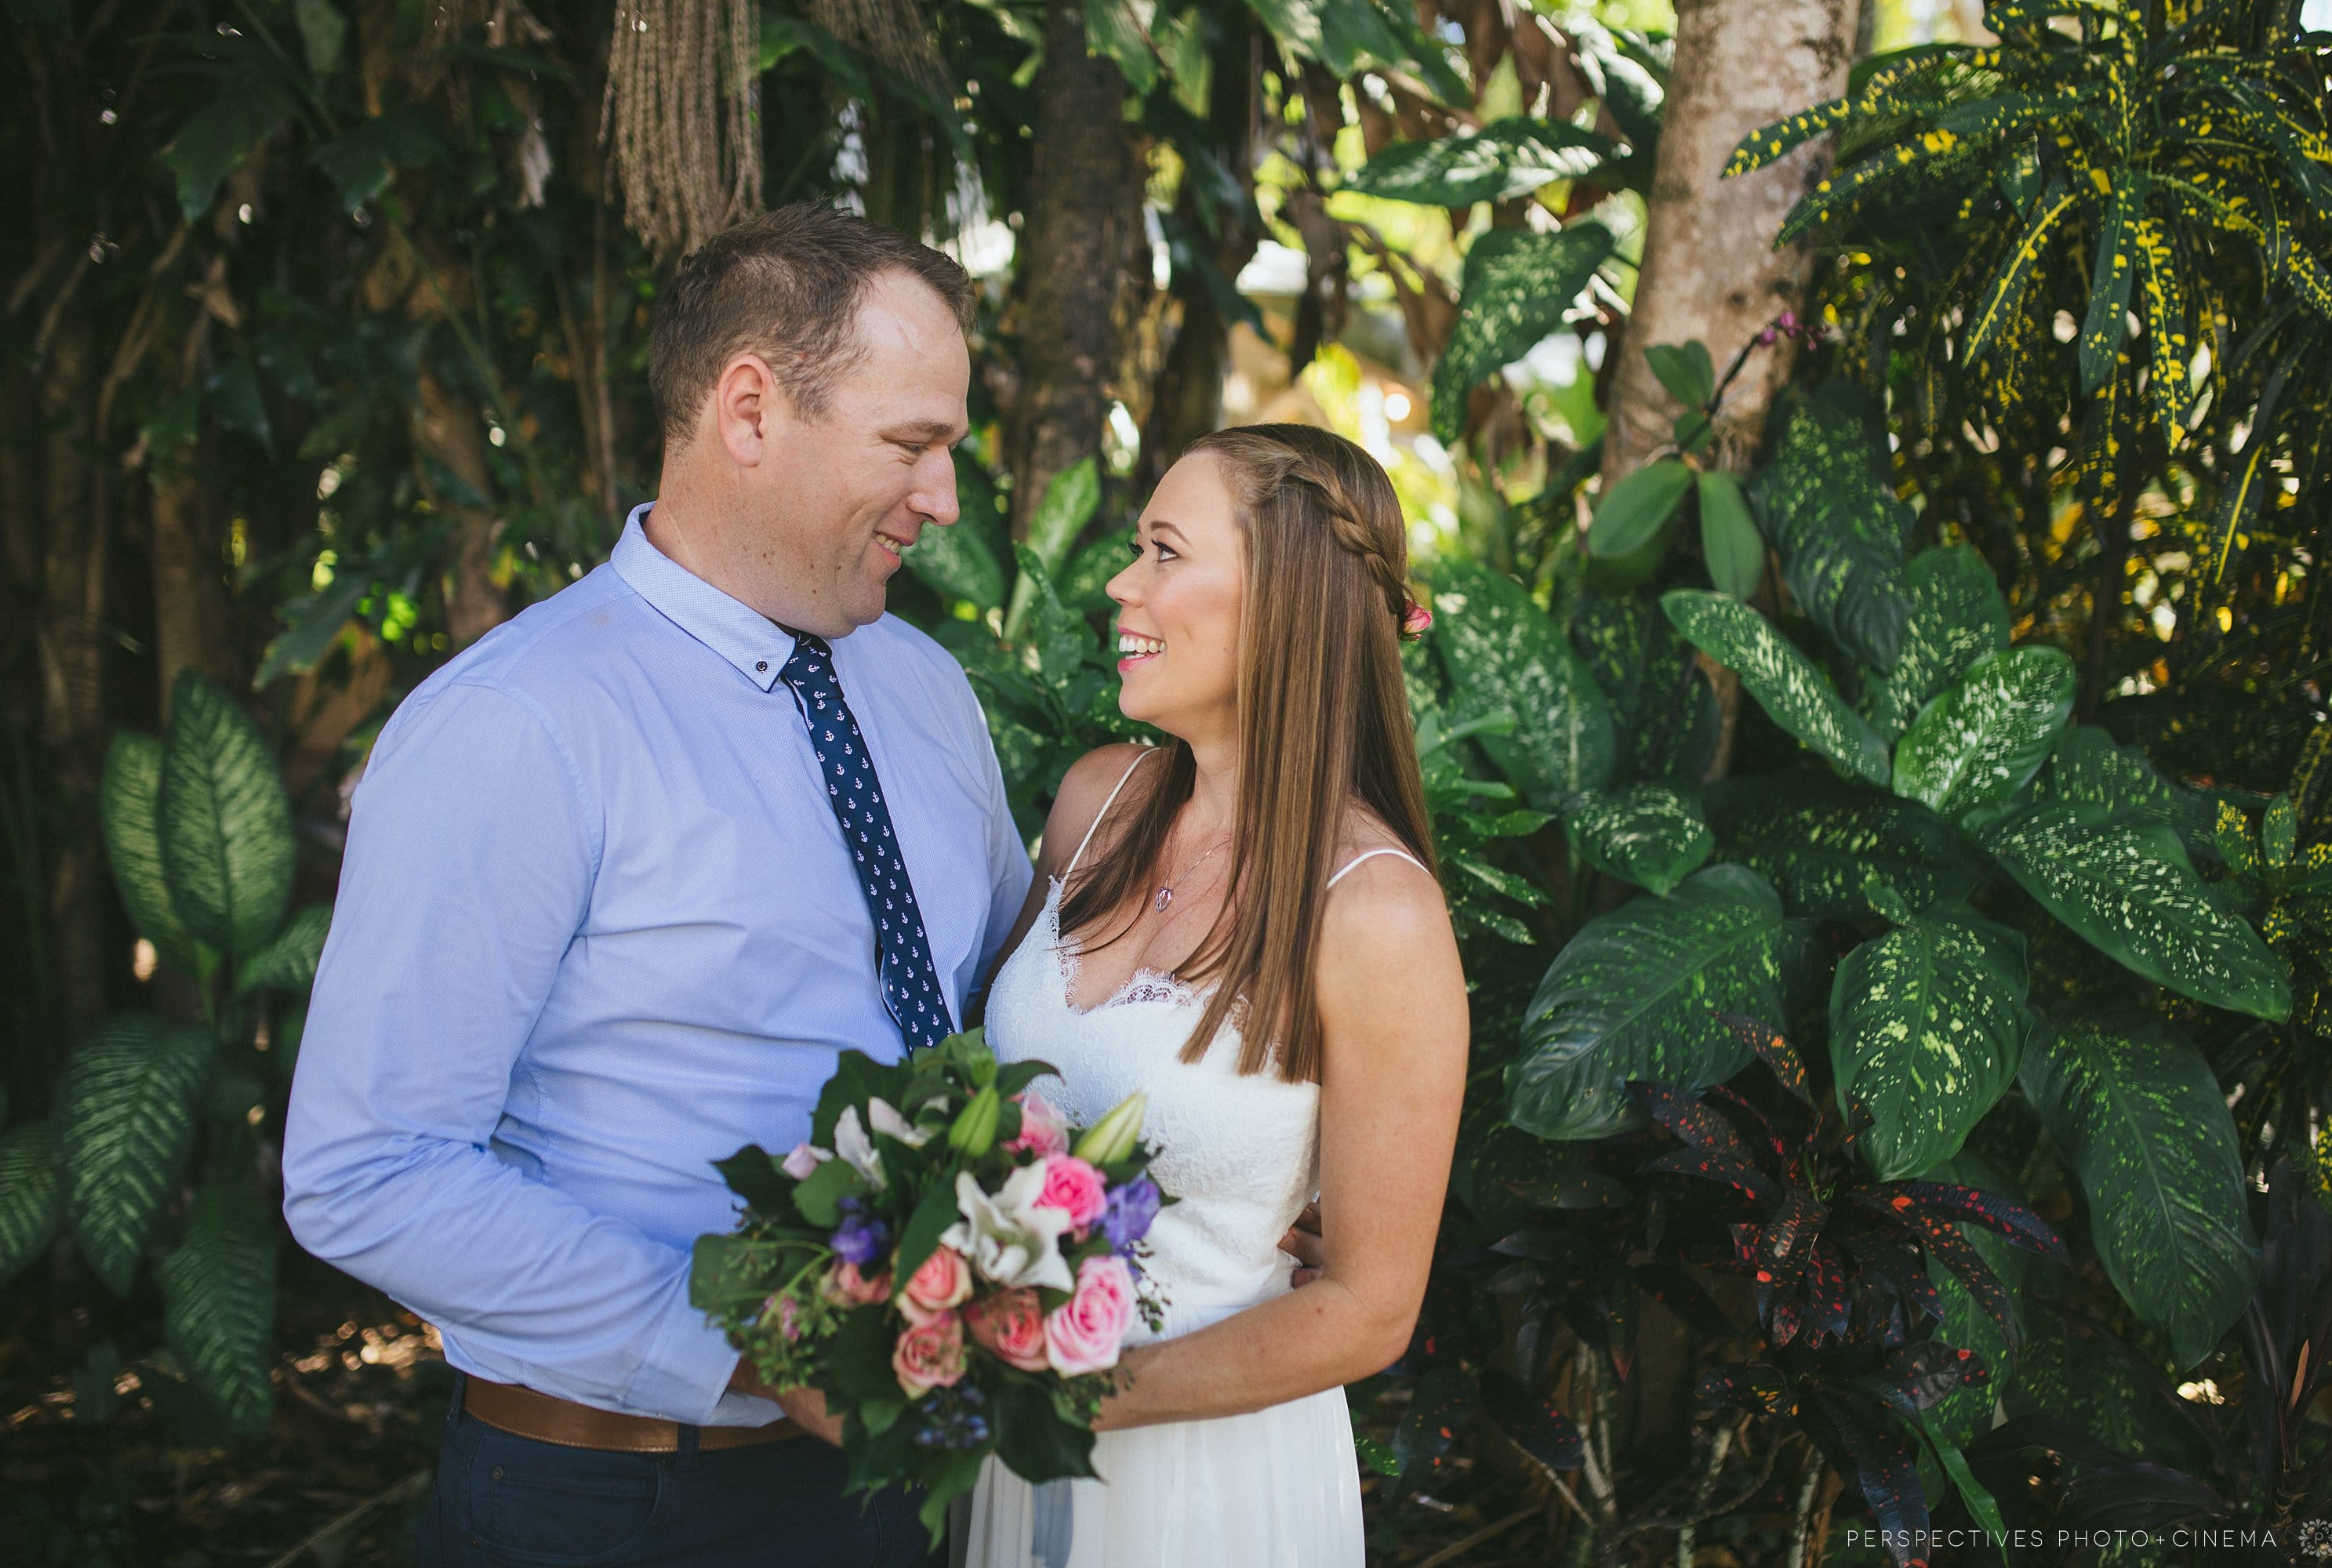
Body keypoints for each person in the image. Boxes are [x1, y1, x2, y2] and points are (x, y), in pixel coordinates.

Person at [281, 202, 1030, 1566]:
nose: (945, 504)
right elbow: (367, 1169)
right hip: (622, 1503)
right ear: (750, 409)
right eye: (911, 447)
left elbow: (996, 1017)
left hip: (908, 1484)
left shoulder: (926, 691)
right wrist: (748, 1348)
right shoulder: (519, 724)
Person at [961, 425, 1472, 1568]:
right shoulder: (1095, 804)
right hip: (1010, 1437)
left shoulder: (1375, 914)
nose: (1120, 584)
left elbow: (1372, 1307)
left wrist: (1083, 1397)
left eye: (1163, 552)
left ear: (1284, 601)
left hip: (1205, 1480)